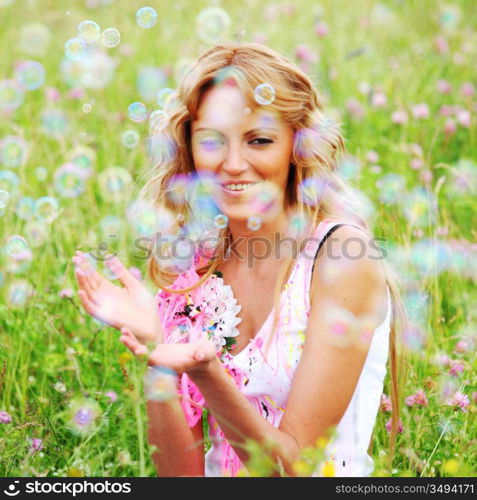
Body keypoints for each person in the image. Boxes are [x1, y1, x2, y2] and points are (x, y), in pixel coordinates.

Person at [72, 42, 408, 477]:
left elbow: (292, 470)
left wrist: (207, 372)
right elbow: (182, 477)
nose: (232, 164)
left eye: (259, 140)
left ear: (296, 146)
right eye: (212, 140)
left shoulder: (341, 258)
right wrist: (160, 353)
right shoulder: (196, 266)